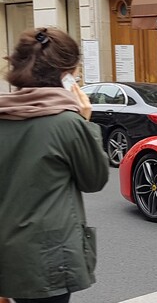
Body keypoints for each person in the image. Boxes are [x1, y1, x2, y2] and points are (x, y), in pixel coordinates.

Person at [0, 27, 109, 303]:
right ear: (66, 73)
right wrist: (85, 121)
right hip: (47, 256)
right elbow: (93, 180)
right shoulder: (66, 123)